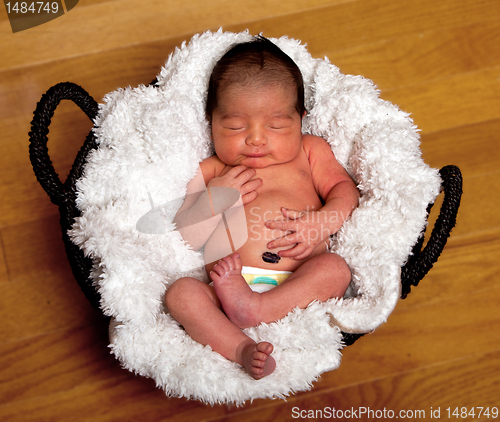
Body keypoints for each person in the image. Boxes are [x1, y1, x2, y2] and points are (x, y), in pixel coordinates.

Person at [165, 36, 359, 380]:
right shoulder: (212, 170)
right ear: (211, 121)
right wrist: (213, 197)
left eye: (277, 125)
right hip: (226, 284)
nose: (256, 138)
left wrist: (322, 223)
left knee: (336, 269)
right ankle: (240, 348)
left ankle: (259, 309)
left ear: (301, 119)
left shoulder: (310, 151)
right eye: (235, 126)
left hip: (299, 280)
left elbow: (344, 190)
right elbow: (188, 231)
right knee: (181, 295)